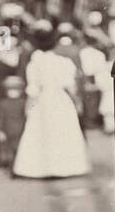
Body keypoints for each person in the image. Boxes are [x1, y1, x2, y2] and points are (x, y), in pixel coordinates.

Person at [13, 30, 91, 179]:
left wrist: (28, 107)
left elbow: (33, 89)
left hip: (43, 100)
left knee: (41, 132)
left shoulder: (35, 63)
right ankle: (64, 167)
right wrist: (77, 102)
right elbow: (70, 86)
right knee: (62, 131)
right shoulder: (64, 62)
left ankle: (41, 168)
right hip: (61, 99)